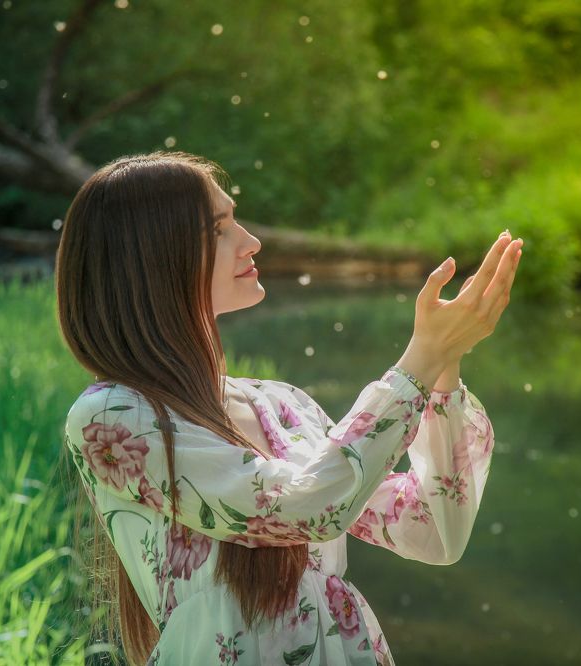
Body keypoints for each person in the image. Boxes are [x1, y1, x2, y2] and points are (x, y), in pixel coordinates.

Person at [55, 151, 523, 665]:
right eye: (220, 228)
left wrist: (442, 363)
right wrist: (417, 362)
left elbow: (434, 532)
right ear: (150, 257)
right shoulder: (113, 418)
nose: (252, 242)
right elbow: (303, 510)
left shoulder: (282, 406)